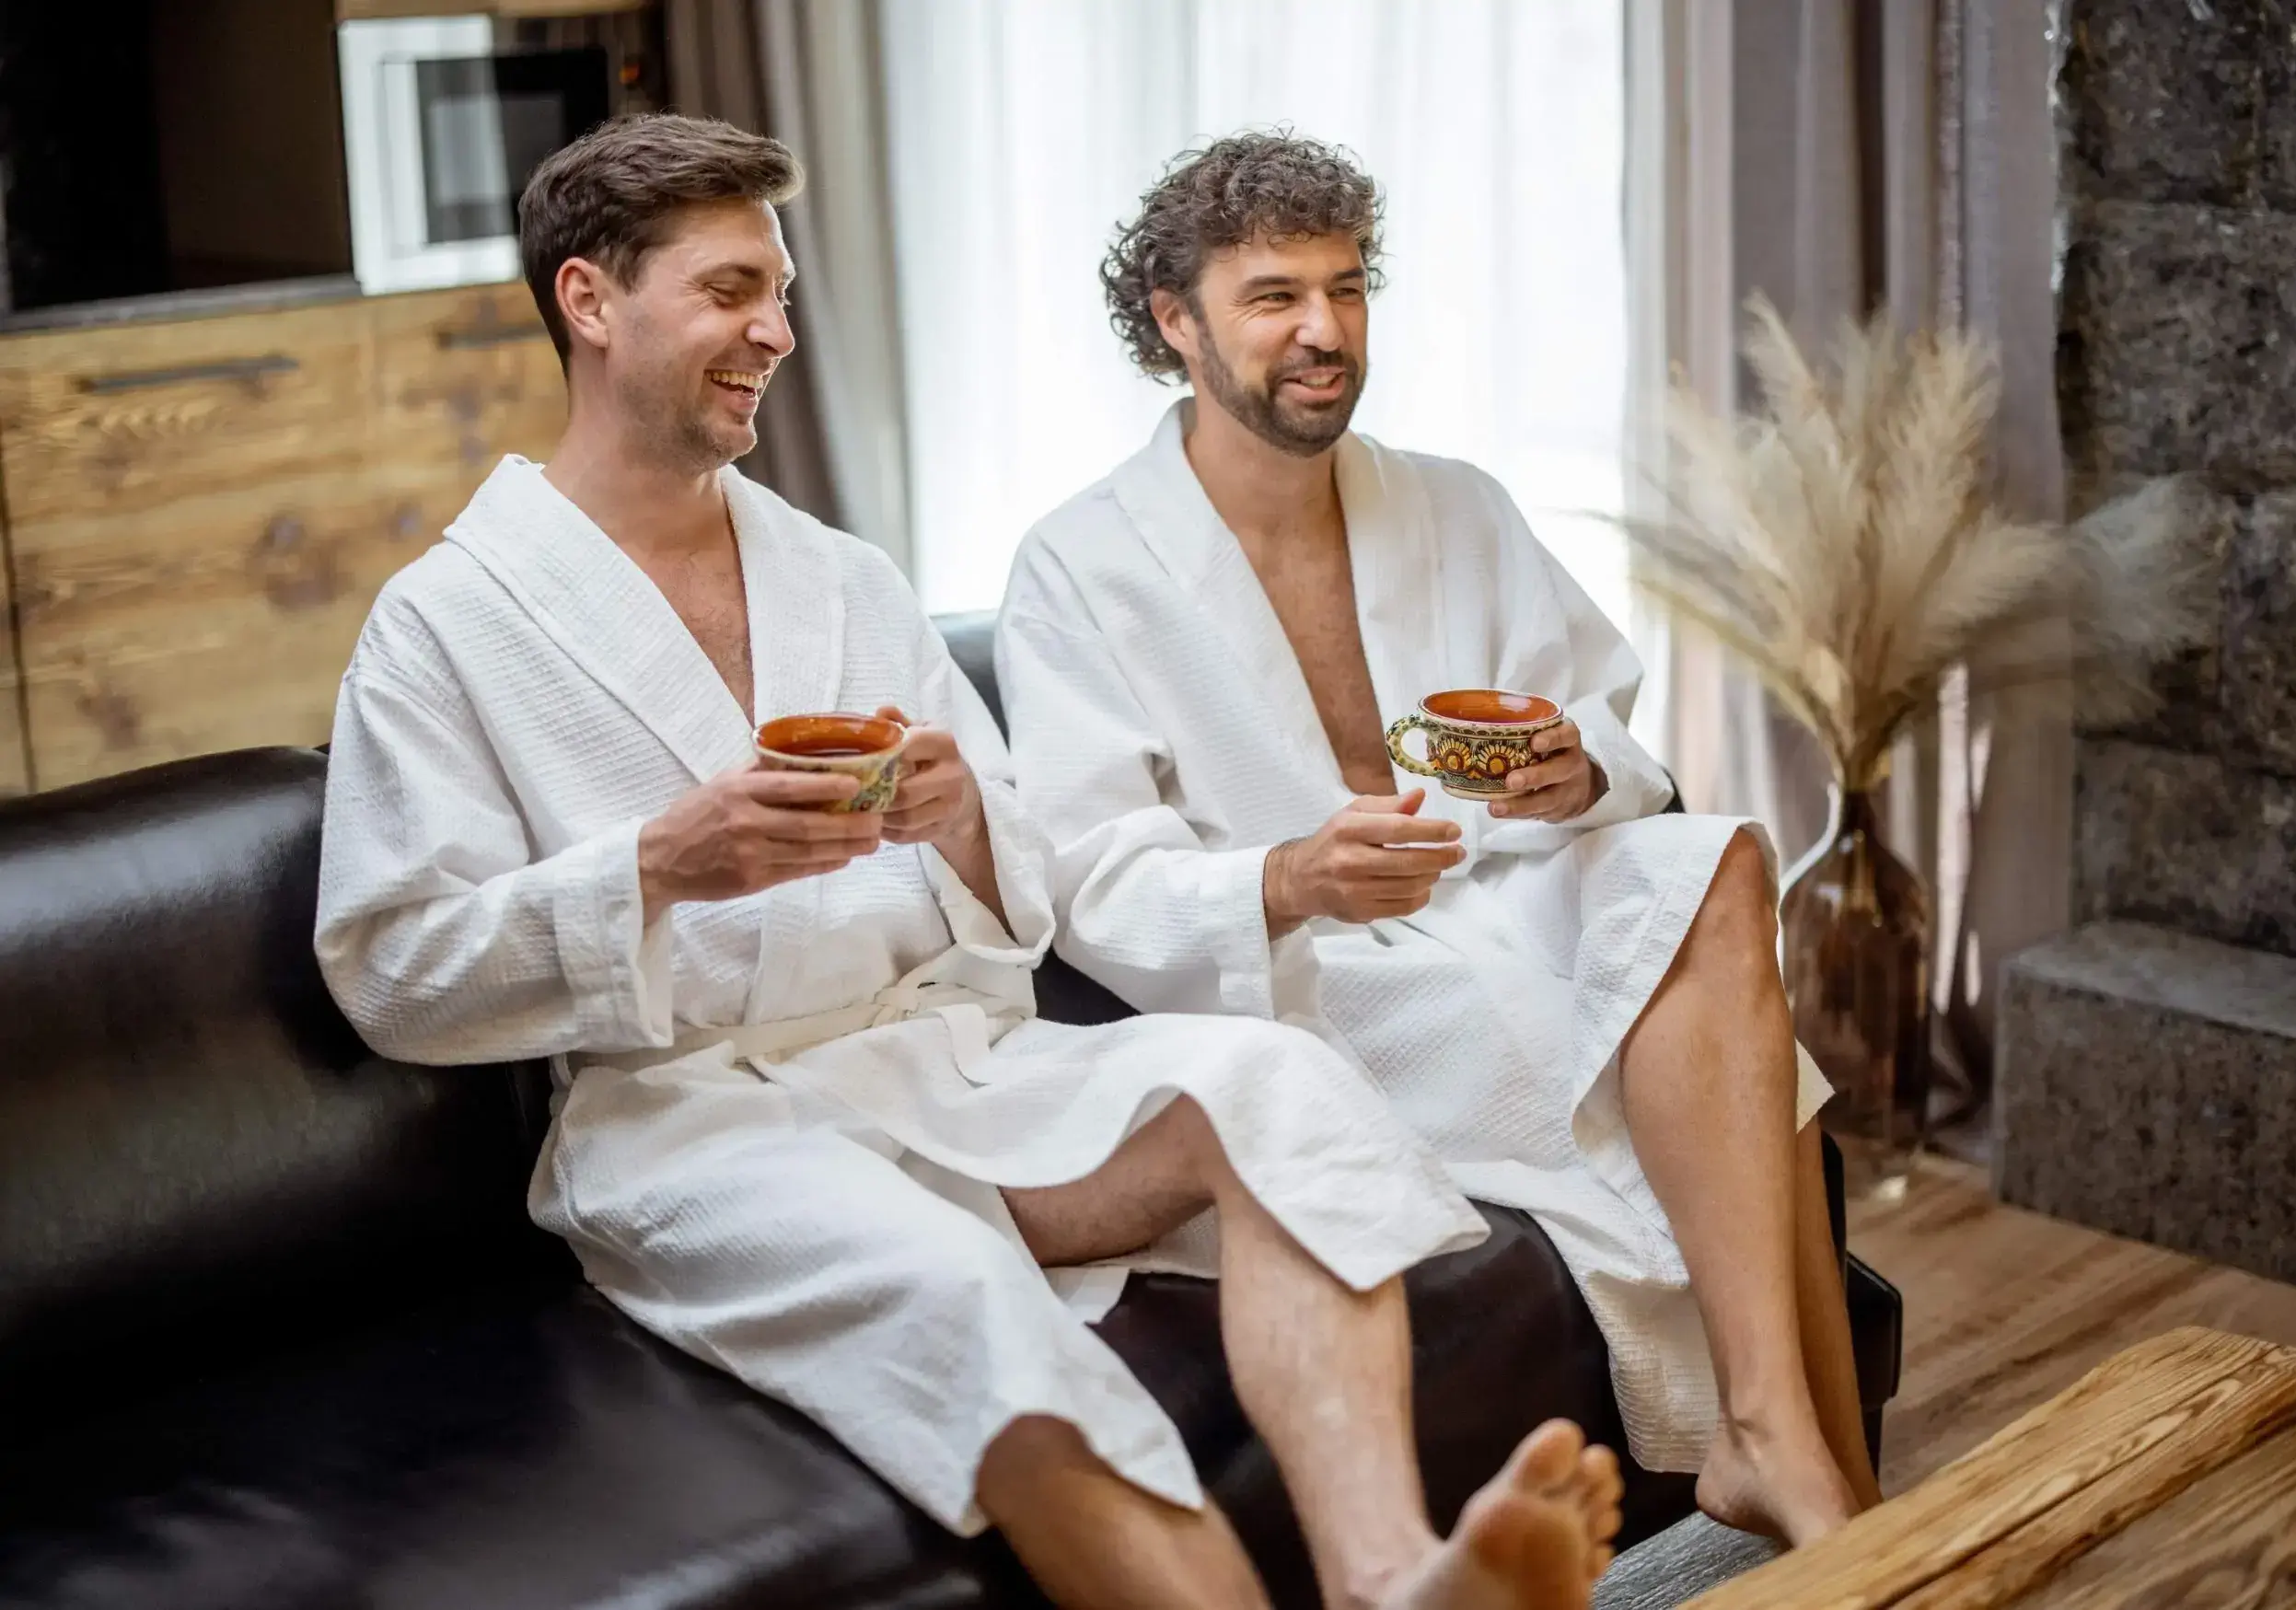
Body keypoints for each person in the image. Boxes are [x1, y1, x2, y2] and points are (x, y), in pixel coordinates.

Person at [314, 115, 1625, 1610]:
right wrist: (654, 868)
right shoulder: (444, 625)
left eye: (784, 294)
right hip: (695, 1123)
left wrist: (960, 826)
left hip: (942, 1054)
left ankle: (1396, 1579)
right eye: (734, 290)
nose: (778, 333)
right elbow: (394, 973)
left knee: (1277, 1087)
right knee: (968, 1305)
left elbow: (1023, 904)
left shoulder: (842, 576)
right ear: (590, 302)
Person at [994, 133, 1883, 1548]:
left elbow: (1603, 725)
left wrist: (1571, 768)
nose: (1323, 332)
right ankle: (1817, 1474)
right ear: (1175, 321)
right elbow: (1090, 875)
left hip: (1509, 894)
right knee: (1742, 1061)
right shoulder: (1079, 567)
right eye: (1273, 296)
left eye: (1346, 290)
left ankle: (1773, 1439)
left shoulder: (1454, 500)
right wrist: (1285, 878)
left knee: (1711, 862)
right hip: (1325, 980)